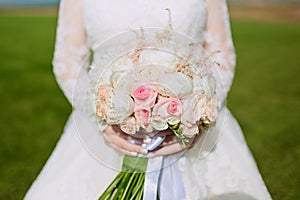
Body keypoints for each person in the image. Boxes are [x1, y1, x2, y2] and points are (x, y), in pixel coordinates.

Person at [25, 0, 272, 199]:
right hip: (106, 132)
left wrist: (196, 113)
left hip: (194, 130)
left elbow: (221, 53)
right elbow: (67, 59)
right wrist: (103, 115)